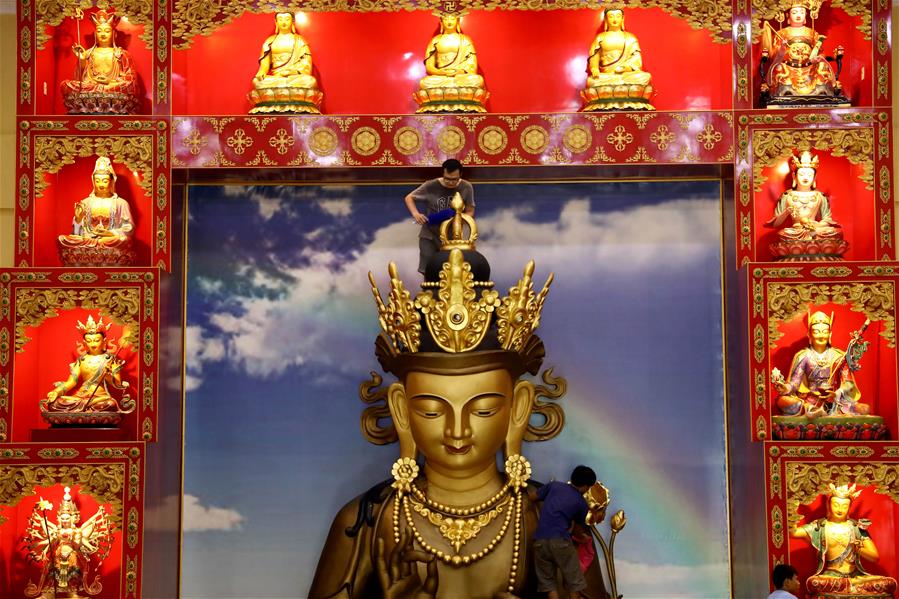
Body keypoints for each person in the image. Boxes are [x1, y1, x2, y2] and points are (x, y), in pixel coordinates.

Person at [309, 203, 609, 598]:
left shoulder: (546, 517)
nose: (457, 430)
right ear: (401, 409)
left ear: (518, 407)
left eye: (483, 409)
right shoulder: (367, 522)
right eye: (431, 410)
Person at [792, 483, 897, 597]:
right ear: (829, 505)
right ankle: (850, 587)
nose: (840, 509)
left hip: (855, 576)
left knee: (888, 583)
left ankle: (850, 586)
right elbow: (794, 532)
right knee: (815, 582)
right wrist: (792, 506)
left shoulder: (856, 527)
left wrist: (858, 549)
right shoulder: (819, 526)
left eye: (845, 506)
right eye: (836, 505)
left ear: (849, 507)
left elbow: (875, 557)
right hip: (831, 577)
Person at [771, 310, 870, 418]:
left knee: (864, 409)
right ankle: (811, 409)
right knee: (782, 401)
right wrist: (785, 388)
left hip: (834, 401)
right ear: (809, 334)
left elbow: (849, 384)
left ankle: (818, 411)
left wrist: (837, 393)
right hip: (810, 400)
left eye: (825, 331)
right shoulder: (803, 356)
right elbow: (794, 383)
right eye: (817, 331)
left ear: (830, 334)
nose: (821, 335)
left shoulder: (839, 356)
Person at [42, 314, 133, 418]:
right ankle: (85, 410)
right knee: (55, 404)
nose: (93, 344)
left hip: (99, 398)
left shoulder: (110, 360)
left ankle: (84, 411)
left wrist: (108, 375)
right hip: (80, 397)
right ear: (84, 343)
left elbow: (118, 384)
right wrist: (56, 392)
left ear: (104, 342)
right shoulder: (81, 360)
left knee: (110, 404)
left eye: (97, 340)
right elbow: (71, 382)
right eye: (89, 341)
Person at [759, 0, 848, 106]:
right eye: (794, 12)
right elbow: (774, 55)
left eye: (801, 12)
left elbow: (821, 52)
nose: (798, 15)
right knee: (779, 68)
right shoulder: (781, 33)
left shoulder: (812, 33)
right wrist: (782, 49)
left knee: (823, 66)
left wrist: (818, 58)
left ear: (806, 15)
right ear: (787, 16)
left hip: (810, 69)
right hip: (789, 69)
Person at [764, 151, 847, 260]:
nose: (806, 177)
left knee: (835, 233)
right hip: (796, 232)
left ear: (815, 177)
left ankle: (810, 245)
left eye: (810, 174)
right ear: (794, 176)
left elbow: (827, 219)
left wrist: (816, 226)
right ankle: (812, 247)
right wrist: (787, 212)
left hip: (816, 230)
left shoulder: (819, 196)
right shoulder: (787, 196)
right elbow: (776, 224)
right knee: (782, 234)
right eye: (802, 174)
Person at [530, 466, 597, 599]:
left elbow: (533, 497)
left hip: (539, 542)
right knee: (575, 583)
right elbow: (578, 530)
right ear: (585, 486)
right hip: (560, 541)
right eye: (589, 487)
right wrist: (582, 537)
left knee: (549, 584)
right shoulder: (581, 503)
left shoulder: (554, 486)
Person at [57, 156, 136, 266]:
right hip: (89, 240)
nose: (101, 184)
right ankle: (92, 255)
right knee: (63, 239)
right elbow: (76, 233)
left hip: (109, 241)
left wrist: (109, 233)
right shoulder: (85, 202)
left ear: (112, 181)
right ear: (93, 182)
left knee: (123, 240)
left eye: (105, 181)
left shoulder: (120, 203)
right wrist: (78, 219)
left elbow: (129, 228)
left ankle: (93, 256)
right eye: (97, 181)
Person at [59, 8, 141, 114]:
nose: (103, 34)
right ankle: (98, 97)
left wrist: (109, 82)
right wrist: (82, 60)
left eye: (107, 31)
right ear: (95, 34)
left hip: (111, 88)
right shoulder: (88, 53)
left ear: (114, 34)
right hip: (92, 88)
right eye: (99, 31)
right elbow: (79, 80)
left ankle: (98, 97)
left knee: (127, 87)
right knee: (66, 85)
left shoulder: (122, 54)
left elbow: (131, 81)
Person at [404, 159, 475, 274]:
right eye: (447, 179)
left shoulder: (466, 187)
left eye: (454, 179)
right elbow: (409, 198)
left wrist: (457, 220)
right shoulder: (430, 185)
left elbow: (470, 211)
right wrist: (416, 214)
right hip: (430, 234)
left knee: (451, 270)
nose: (450, 182)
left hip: (452, 237)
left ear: (460, 175)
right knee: (428, 269)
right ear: (443, 173)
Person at [248, 12, 323, 113]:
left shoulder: (300, 40)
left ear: (292, 22)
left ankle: (282, 89)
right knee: (257, 82)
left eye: (287, 19)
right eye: (280, 19)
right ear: (276, 22)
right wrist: (262, 72)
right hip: (276, 78)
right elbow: (264, 66)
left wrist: (289, 72)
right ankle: (285, 89)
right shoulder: (270, 41)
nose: (283, 22)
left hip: (294, 77)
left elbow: (306, 64)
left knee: (310, 82)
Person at [413, 12, 489, 112]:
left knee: (477, 80)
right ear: (441, 22)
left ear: (458, 21)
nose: (449, 21)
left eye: (452, 19)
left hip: (460, 77)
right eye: (446, 19)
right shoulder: (435, 40)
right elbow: (429, 67)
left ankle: (448, 92)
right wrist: (441, 72)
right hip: (441, 78)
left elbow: (472, 66)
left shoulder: (465, 40)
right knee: (425, 82)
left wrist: (459, 71)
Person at [581, 8, 654, 110]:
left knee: (645, 77)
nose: (615, 19)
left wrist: (626, 68)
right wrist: (594, 68)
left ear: (622, 19)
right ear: (606, 19)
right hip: (607, 76)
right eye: (611, 16)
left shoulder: (630, 37)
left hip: (626, 75)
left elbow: (636, 59)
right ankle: (620, 90)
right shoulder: (600, 37)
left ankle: (619, 89)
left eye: (618, 16)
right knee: (592, 81)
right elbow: (594, 56)